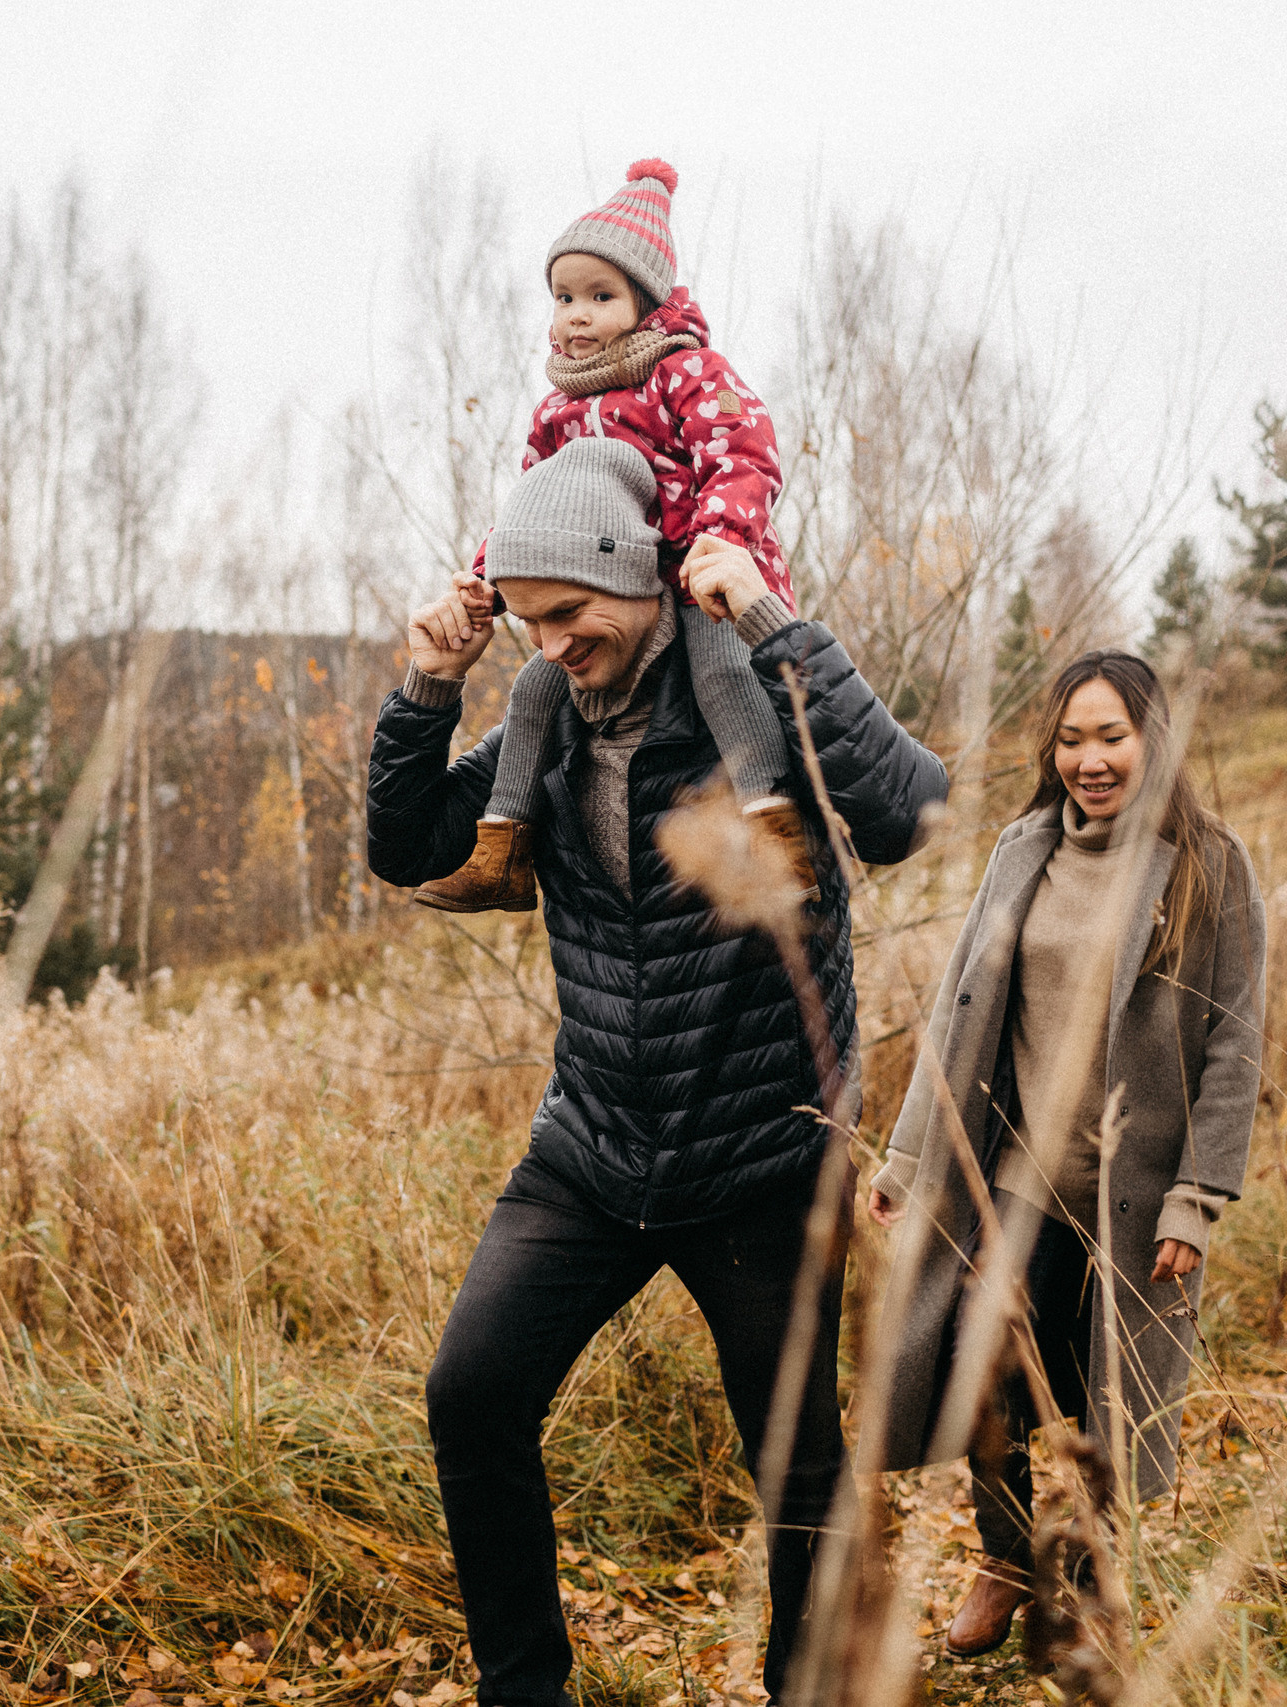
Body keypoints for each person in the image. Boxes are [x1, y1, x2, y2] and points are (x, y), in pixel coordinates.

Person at [370, 436, 948, 1706]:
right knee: (471, 1394)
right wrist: (425, 688)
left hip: (757, 1159)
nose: (554, 644)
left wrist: (772, 616)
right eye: (528, 623)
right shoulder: (553, 729)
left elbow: (907, 810)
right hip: (591, 1151)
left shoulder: (753, 703)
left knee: (797, 1466)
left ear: (637, 578)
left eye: (571, 615)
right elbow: (403, 849)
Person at [861, 650, 1265, 1658]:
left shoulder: (1208, 866)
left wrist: (1197, 1197)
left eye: (1112, 738)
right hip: (1013, 1183)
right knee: (978, 1372)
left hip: (1133, 1198)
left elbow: (1236, 1042)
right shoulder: (1021, 848)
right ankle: (1004, 1556)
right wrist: (908, 1163)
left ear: (1153, 742)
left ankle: (1086, 1579)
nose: (1090, 759)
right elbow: (958, 1015)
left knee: (1110, 1407)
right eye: (1071, 738)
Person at [410, 157, 812, 915]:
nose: (577, 315)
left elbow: (744, 448)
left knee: (723, 672)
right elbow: (530, 506)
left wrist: (721, 540)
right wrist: (488, 579)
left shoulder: (685, 372)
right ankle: (502, 848)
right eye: (565, 297)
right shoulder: (555, 412)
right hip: (602, 588)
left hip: (697, 576)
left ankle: (774, 828)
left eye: (600, 295)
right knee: (533, 687)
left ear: (648, 303)